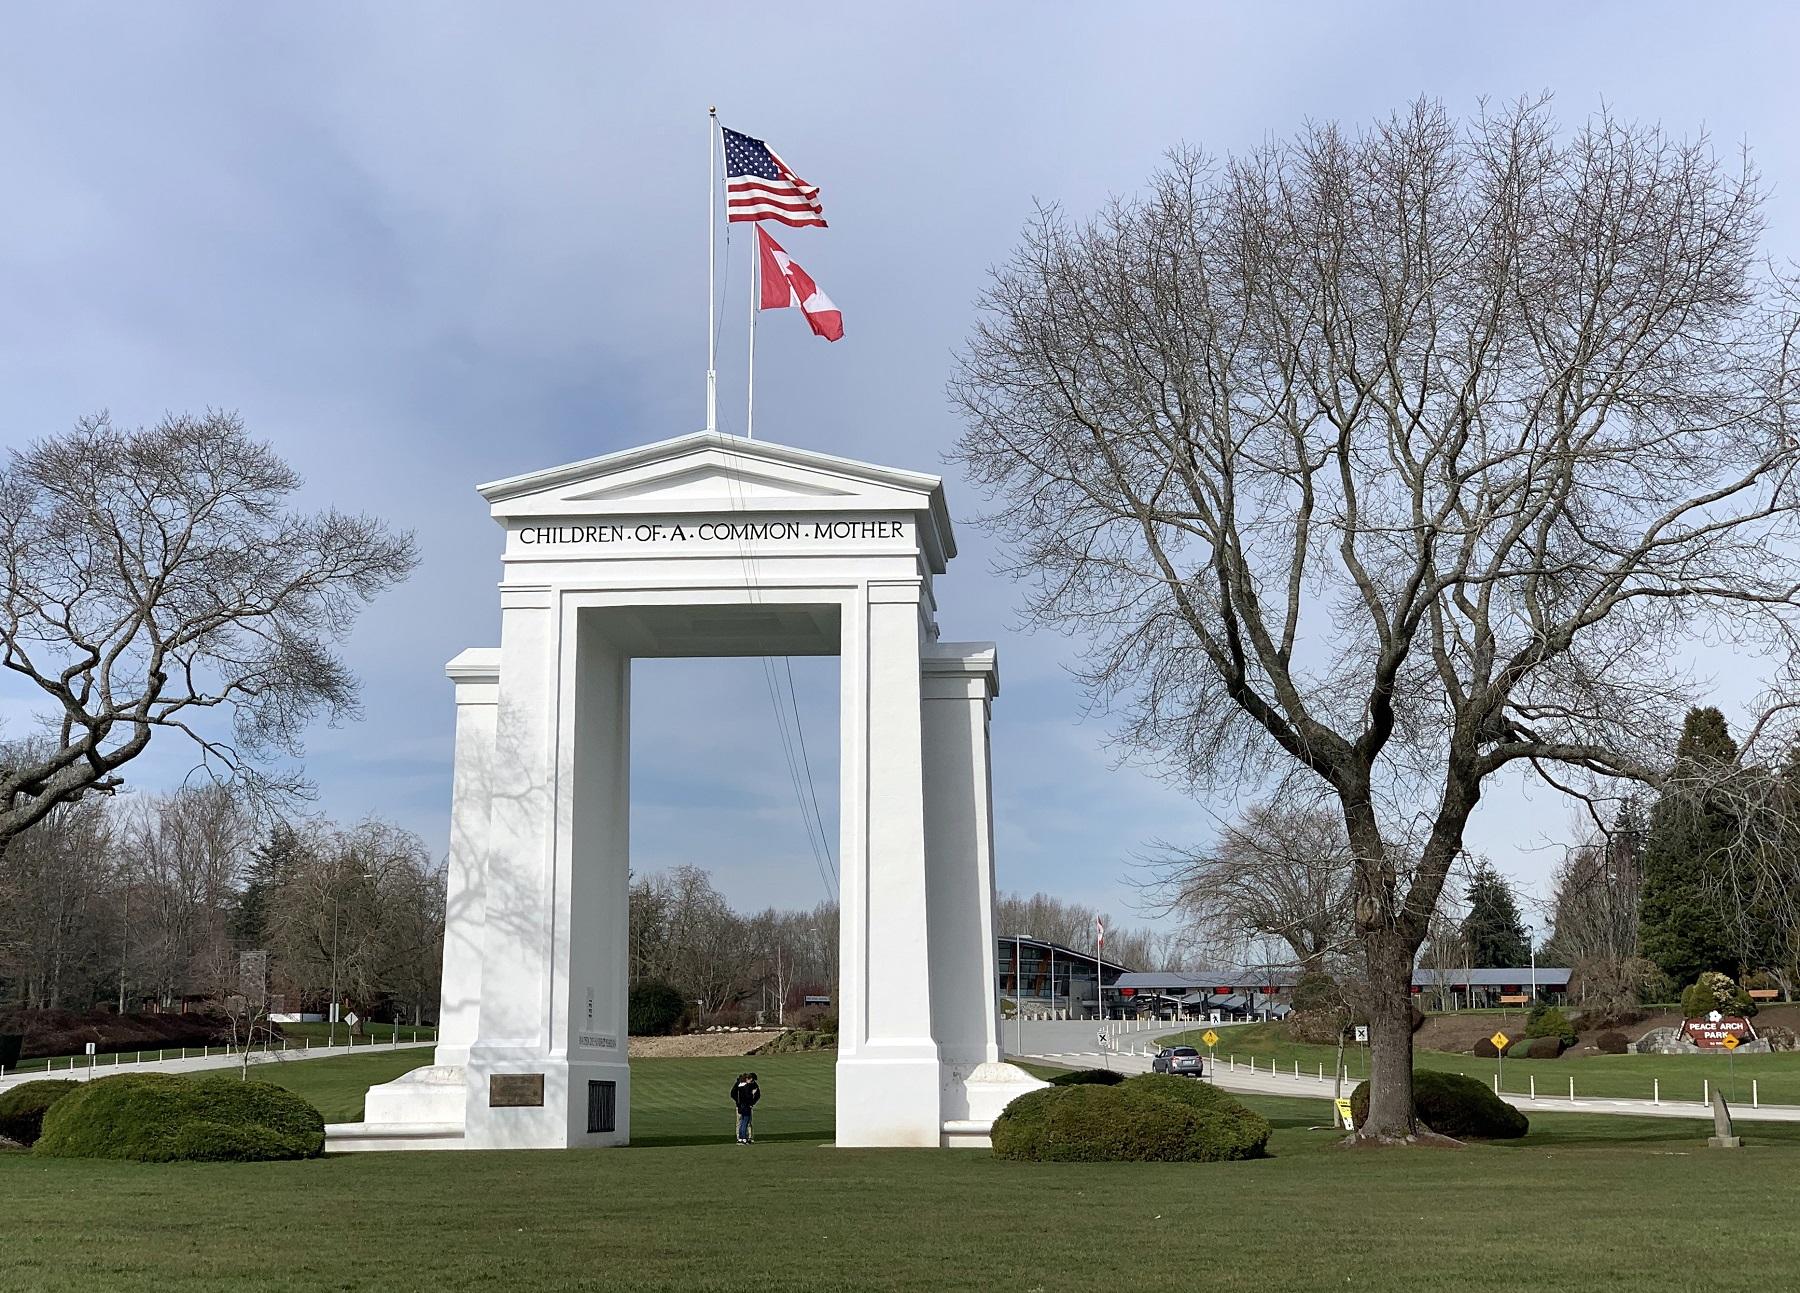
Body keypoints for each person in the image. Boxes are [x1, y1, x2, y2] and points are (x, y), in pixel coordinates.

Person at [730, 1071, 761, 1144]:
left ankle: (743, 1137)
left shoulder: (742, 1084)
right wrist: (751, 1102)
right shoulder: (745, 1085)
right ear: (748, 1078)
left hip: (741, 1105)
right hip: (745, 1105)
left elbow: (757, 1095)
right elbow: (747, 1096)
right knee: (744, 1122)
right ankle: (744, 1137)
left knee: (743, 1122)